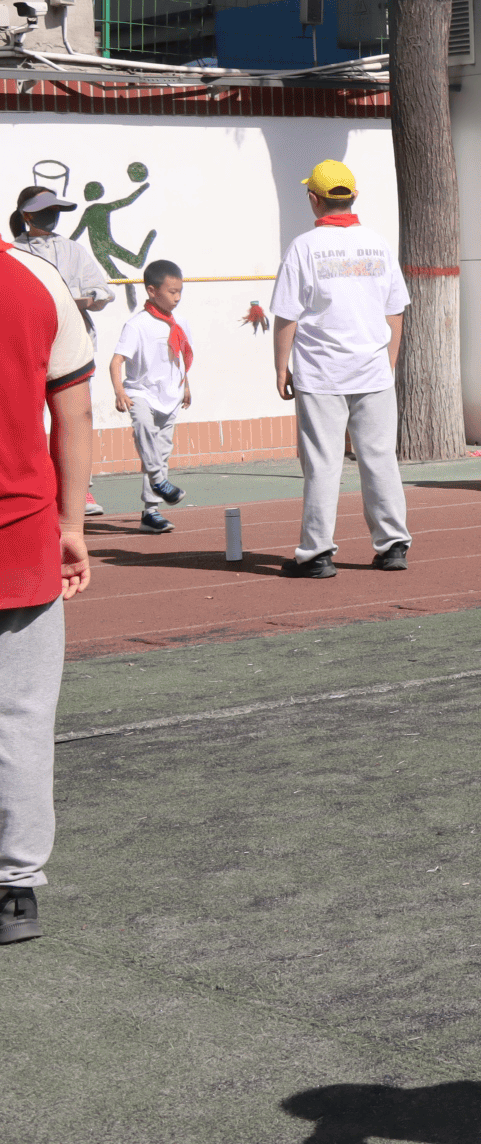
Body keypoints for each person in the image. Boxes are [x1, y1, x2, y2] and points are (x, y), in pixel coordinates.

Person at [1, 222, 95, 946]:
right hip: (20, 531)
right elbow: (75, 413)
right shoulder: (38, 280)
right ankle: (16, 888)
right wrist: (71, 522)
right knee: (21, 717)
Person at [269, 160, 411, 577]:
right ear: (353, 196)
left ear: (314, 198)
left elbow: (287, 315)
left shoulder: (304, 247)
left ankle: (316, 553)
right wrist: (389, 361)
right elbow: (395, 311)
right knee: (380, 457)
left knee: (322, 462)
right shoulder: (377, 243)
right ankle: (393, 545)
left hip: (321, 372)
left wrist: (281, 366)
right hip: (372, 369)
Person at [12, 188, 111, 520]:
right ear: (26, 215)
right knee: (28, 419)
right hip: (28, 346)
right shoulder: (14, 252)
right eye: (44, 209)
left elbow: (102, 291)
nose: (51, 215)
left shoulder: (72, 250)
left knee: (73, 418)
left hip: (70, 347)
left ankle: (79, 489)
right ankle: (36, 489)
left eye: (56, 209)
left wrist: (85, 299)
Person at [109, 258, 193, 534]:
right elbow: (116, 361)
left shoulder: (179, 323)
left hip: (169, 396)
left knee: (161, 452)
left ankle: (151, 512)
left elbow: (179, 356)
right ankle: (159, 481)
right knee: (143, 427)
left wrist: (186, 385)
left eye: (180, 291)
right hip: (140, 392)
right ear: (152, 291)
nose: (178, 297)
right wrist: (120, 391)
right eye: (172, 291)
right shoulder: (137, 325)